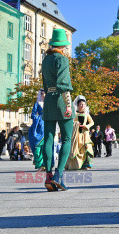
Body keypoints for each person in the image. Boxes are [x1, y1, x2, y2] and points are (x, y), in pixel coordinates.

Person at [42, 28, 74, 192]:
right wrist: (68, 105)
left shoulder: (46, 59)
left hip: (48, 99)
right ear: (62, 46)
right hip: (61, 100)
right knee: (67, 138)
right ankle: (58, 176)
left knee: (48, 137)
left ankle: (48, 176)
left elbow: (45, 85)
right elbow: (63, 84)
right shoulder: (62, 60)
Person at [66, 96, 94, 170]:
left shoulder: (86, 114)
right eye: (81, 104)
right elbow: (70, 122)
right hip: (77, 134)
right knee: (77, 148)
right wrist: (76, 123)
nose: (82, 106)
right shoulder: (74, 113)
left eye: (84, 104)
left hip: (85, 133)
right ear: (78, 105)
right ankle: (77, 164)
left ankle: (86, 165)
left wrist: (86, 126)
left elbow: (92, 122)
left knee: (87, 147)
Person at [29, 89, 46, 171]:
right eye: (42, 94)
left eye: (45, 94)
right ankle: (40, 164)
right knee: (38, 145)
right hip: (40, 126)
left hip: (48, 125)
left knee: (46, 146)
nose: (44, 95)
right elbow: (33, 115)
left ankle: (47, 164)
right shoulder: (37, 104)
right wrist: (39, 118)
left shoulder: (50, 104)